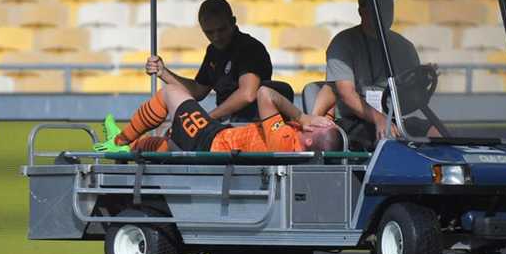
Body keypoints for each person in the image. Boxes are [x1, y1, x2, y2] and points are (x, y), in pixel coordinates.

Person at [312, 0, 436, 150]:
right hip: (355, 121)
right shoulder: (343, 43)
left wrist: (422, 82)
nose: (385, 13)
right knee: (384, 137)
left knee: (436, 131)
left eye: (388, 7)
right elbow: (346, 92)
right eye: (379, 7)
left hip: (393, 119)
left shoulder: (404, 47)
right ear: (361, 11)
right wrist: (378, 119)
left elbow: (409, 99)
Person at [93, 83, 338, 155]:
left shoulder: (285, 142)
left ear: (307, 142)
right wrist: (316, 117)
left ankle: (121, 140)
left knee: (171, 93)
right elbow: (329, 90)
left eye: (314, 128)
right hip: (218, 137)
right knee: (170, 144)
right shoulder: (319, 138)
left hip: (211, 142)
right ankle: (133, 148)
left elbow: (264, 94)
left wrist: (302, 116)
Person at [145, 0, 275, 122]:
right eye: (209, 32)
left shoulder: (249, 48)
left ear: (233, 21)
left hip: (252, 125)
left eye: (221, 30)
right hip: (228, 125)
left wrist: (209, 118)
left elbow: (247, 94)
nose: (216, 37)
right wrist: (163, 72)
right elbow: (198, 91)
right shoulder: (213, 51)